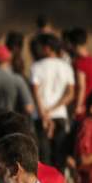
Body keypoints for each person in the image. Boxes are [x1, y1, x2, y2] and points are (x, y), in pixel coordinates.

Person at [29, 34, 74, 169]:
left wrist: (44, 113)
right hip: (59, 115)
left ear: (47, 48)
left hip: (40, 117)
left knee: (44, 159)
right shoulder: (66, 67)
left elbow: (35, 92)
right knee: (60, 158)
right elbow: (70, 94)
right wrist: (53, 109)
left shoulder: (36, 67)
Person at [66, 28, 92, 119]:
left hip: (84, 106)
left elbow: (81, 86)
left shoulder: (79, 63)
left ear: (72, 44)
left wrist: (78, 106)